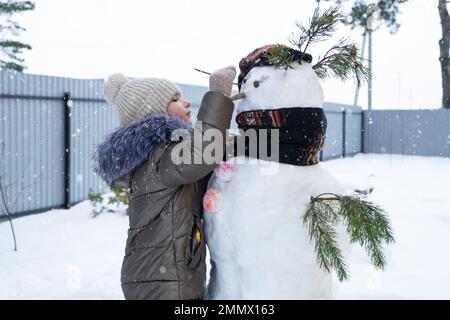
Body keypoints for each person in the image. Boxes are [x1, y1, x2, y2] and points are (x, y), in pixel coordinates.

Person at [93, 66, 236, 299]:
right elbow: (204, 152)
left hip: (161, 276)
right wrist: (218, 96)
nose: (186, 102)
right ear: (154, 112)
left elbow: (209, 151)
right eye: (175, 99)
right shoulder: (159, 156)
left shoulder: (164, 156)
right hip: (161, 282)